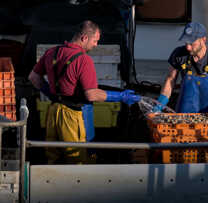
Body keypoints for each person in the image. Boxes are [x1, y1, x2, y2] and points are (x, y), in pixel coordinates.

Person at [28, 20, 141, 164]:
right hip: (73, 116)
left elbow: (33, 77)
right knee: (78, 160)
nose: (96, 45)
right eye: (95, 41)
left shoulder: (52, 52)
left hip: (53, 112)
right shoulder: (83, 60)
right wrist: (120, 96)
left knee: (53, 158)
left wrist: (52, 94)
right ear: (84, 38)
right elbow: (91, 94)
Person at [153, 22, 208, 124]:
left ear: (203, 40)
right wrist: (160, 103)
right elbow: (170, 79)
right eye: (186, 43)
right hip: (186, 116)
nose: (188, 47)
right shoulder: (179, 55)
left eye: (192, 43)